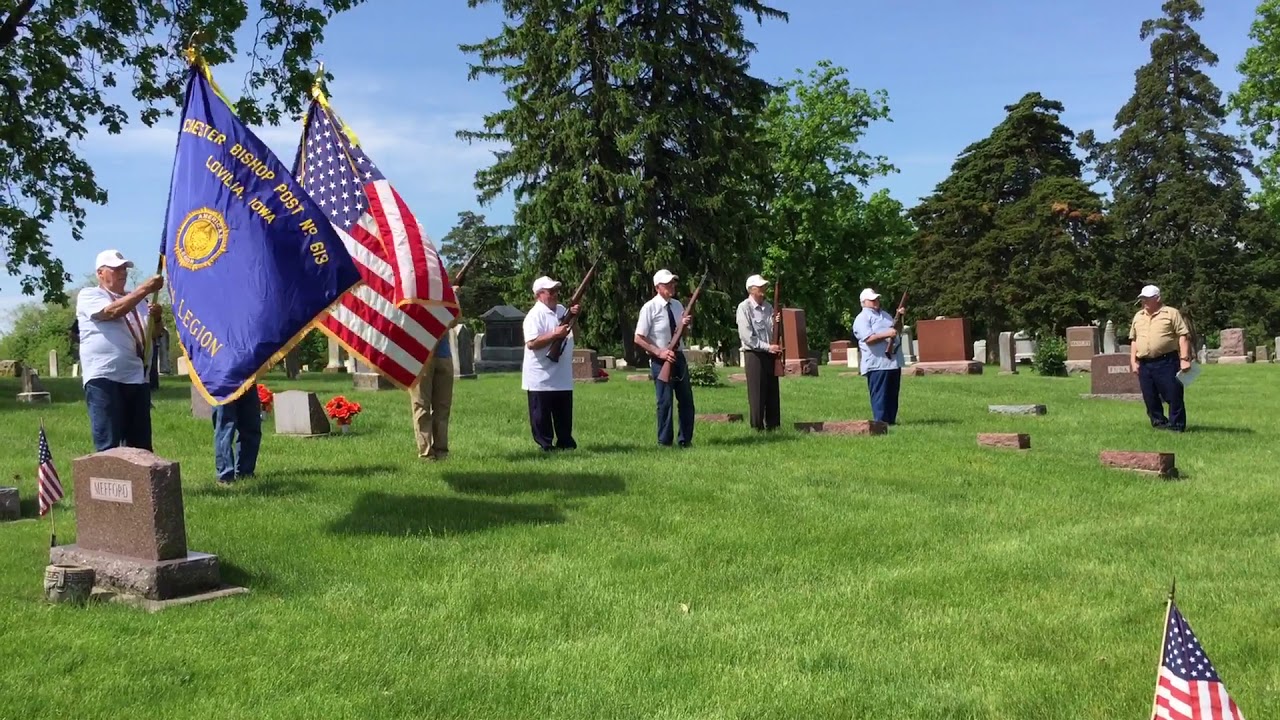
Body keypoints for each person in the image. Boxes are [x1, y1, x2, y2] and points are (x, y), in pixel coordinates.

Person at [75, 249, 164, 451]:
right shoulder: (90, 295)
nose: (122, 273)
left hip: (137, 376)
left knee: (140, 446)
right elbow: (111, 311)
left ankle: (138, 483)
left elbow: (154, 335)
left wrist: (157, 318)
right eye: (116, 269)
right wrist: (144, 289)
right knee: (109, 443)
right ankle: (107, 482)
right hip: (104, 377)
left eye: (124, 268)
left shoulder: (140, 301)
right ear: (100, 273)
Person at [634, 269, 696, 447]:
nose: (672, 286)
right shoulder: (649, 308)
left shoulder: (677, 305)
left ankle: (685, 440)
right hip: (660, 360)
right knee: (665, 401)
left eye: (673, 283)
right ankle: (664, 441)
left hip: (679, 356)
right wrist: (658, 352)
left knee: (686, 401)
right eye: (668, 284)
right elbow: (638, 337)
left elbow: (681, 332)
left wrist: (686, 325)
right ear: (657, 287)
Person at [522, 276, 580, 451]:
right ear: (539, 294)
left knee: (563, 414)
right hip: (541, 375)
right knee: (541, 415)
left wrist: (574, 317)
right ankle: (545, 445)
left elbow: (574, 335)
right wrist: (555, 334)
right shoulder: (534, 315)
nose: (555, 294)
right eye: (550, 291)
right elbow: (532, 343)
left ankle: (565, 442)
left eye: (556, 291)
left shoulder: (562, 310)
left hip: (561, 374)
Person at [1129, 284, 1192, 432]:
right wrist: (1133, 361)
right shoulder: (1138, 316)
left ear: (1157, 298)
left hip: (1167, 361)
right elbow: (1134, 340)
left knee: (1173, 394)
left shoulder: (1171, 313)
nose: (1144, 302)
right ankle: (1158, 423)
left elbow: (1183, 335)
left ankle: (1176, 426)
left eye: (1147, 299)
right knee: (1150, 397)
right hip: (1145, 363)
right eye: (1142, 299)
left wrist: (1184, 358)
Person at [409, 287, 458, 461]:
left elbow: (454, 321)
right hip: (421, 358)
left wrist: (453, 300)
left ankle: (442, 451)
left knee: (442, 408)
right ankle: (426, 453)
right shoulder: (411, 297)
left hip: (444, 356)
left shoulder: (442, 297)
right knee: (421, 407)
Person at [851, 288, 904, 425]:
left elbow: (896, 331)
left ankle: (890, 422)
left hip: (892, 361)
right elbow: (868, 339)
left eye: (877, 299)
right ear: (864, 302)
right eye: (872, 299)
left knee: (892, 395)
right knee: (880, 396)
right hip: (876, 363)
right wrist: (887, 334)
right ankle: (880, 424)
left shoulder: (885, 315)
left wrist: (900, 317)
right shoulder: (862, 318)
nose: (876, 301)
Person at [736, 273, 781, 430]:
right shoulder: (744, 308)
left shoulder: (768, 307)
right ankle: (757, 427)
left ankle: (773, 425)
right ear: (752, 290)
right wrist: (768, 347)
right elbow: (747, 336)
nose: (764, 290)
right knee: (757, 393)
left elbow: (772, 331)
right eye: (761, 287)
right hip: (754, 354)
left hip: (770, 353)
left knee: (772, 391)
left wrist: (776, 323)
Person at [212, 383, 262, 485]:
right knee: (225, 429)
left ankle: (245, 472)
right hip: (223, 380)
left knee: (251, 426)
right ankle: (225, 476)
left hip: (247, 377)